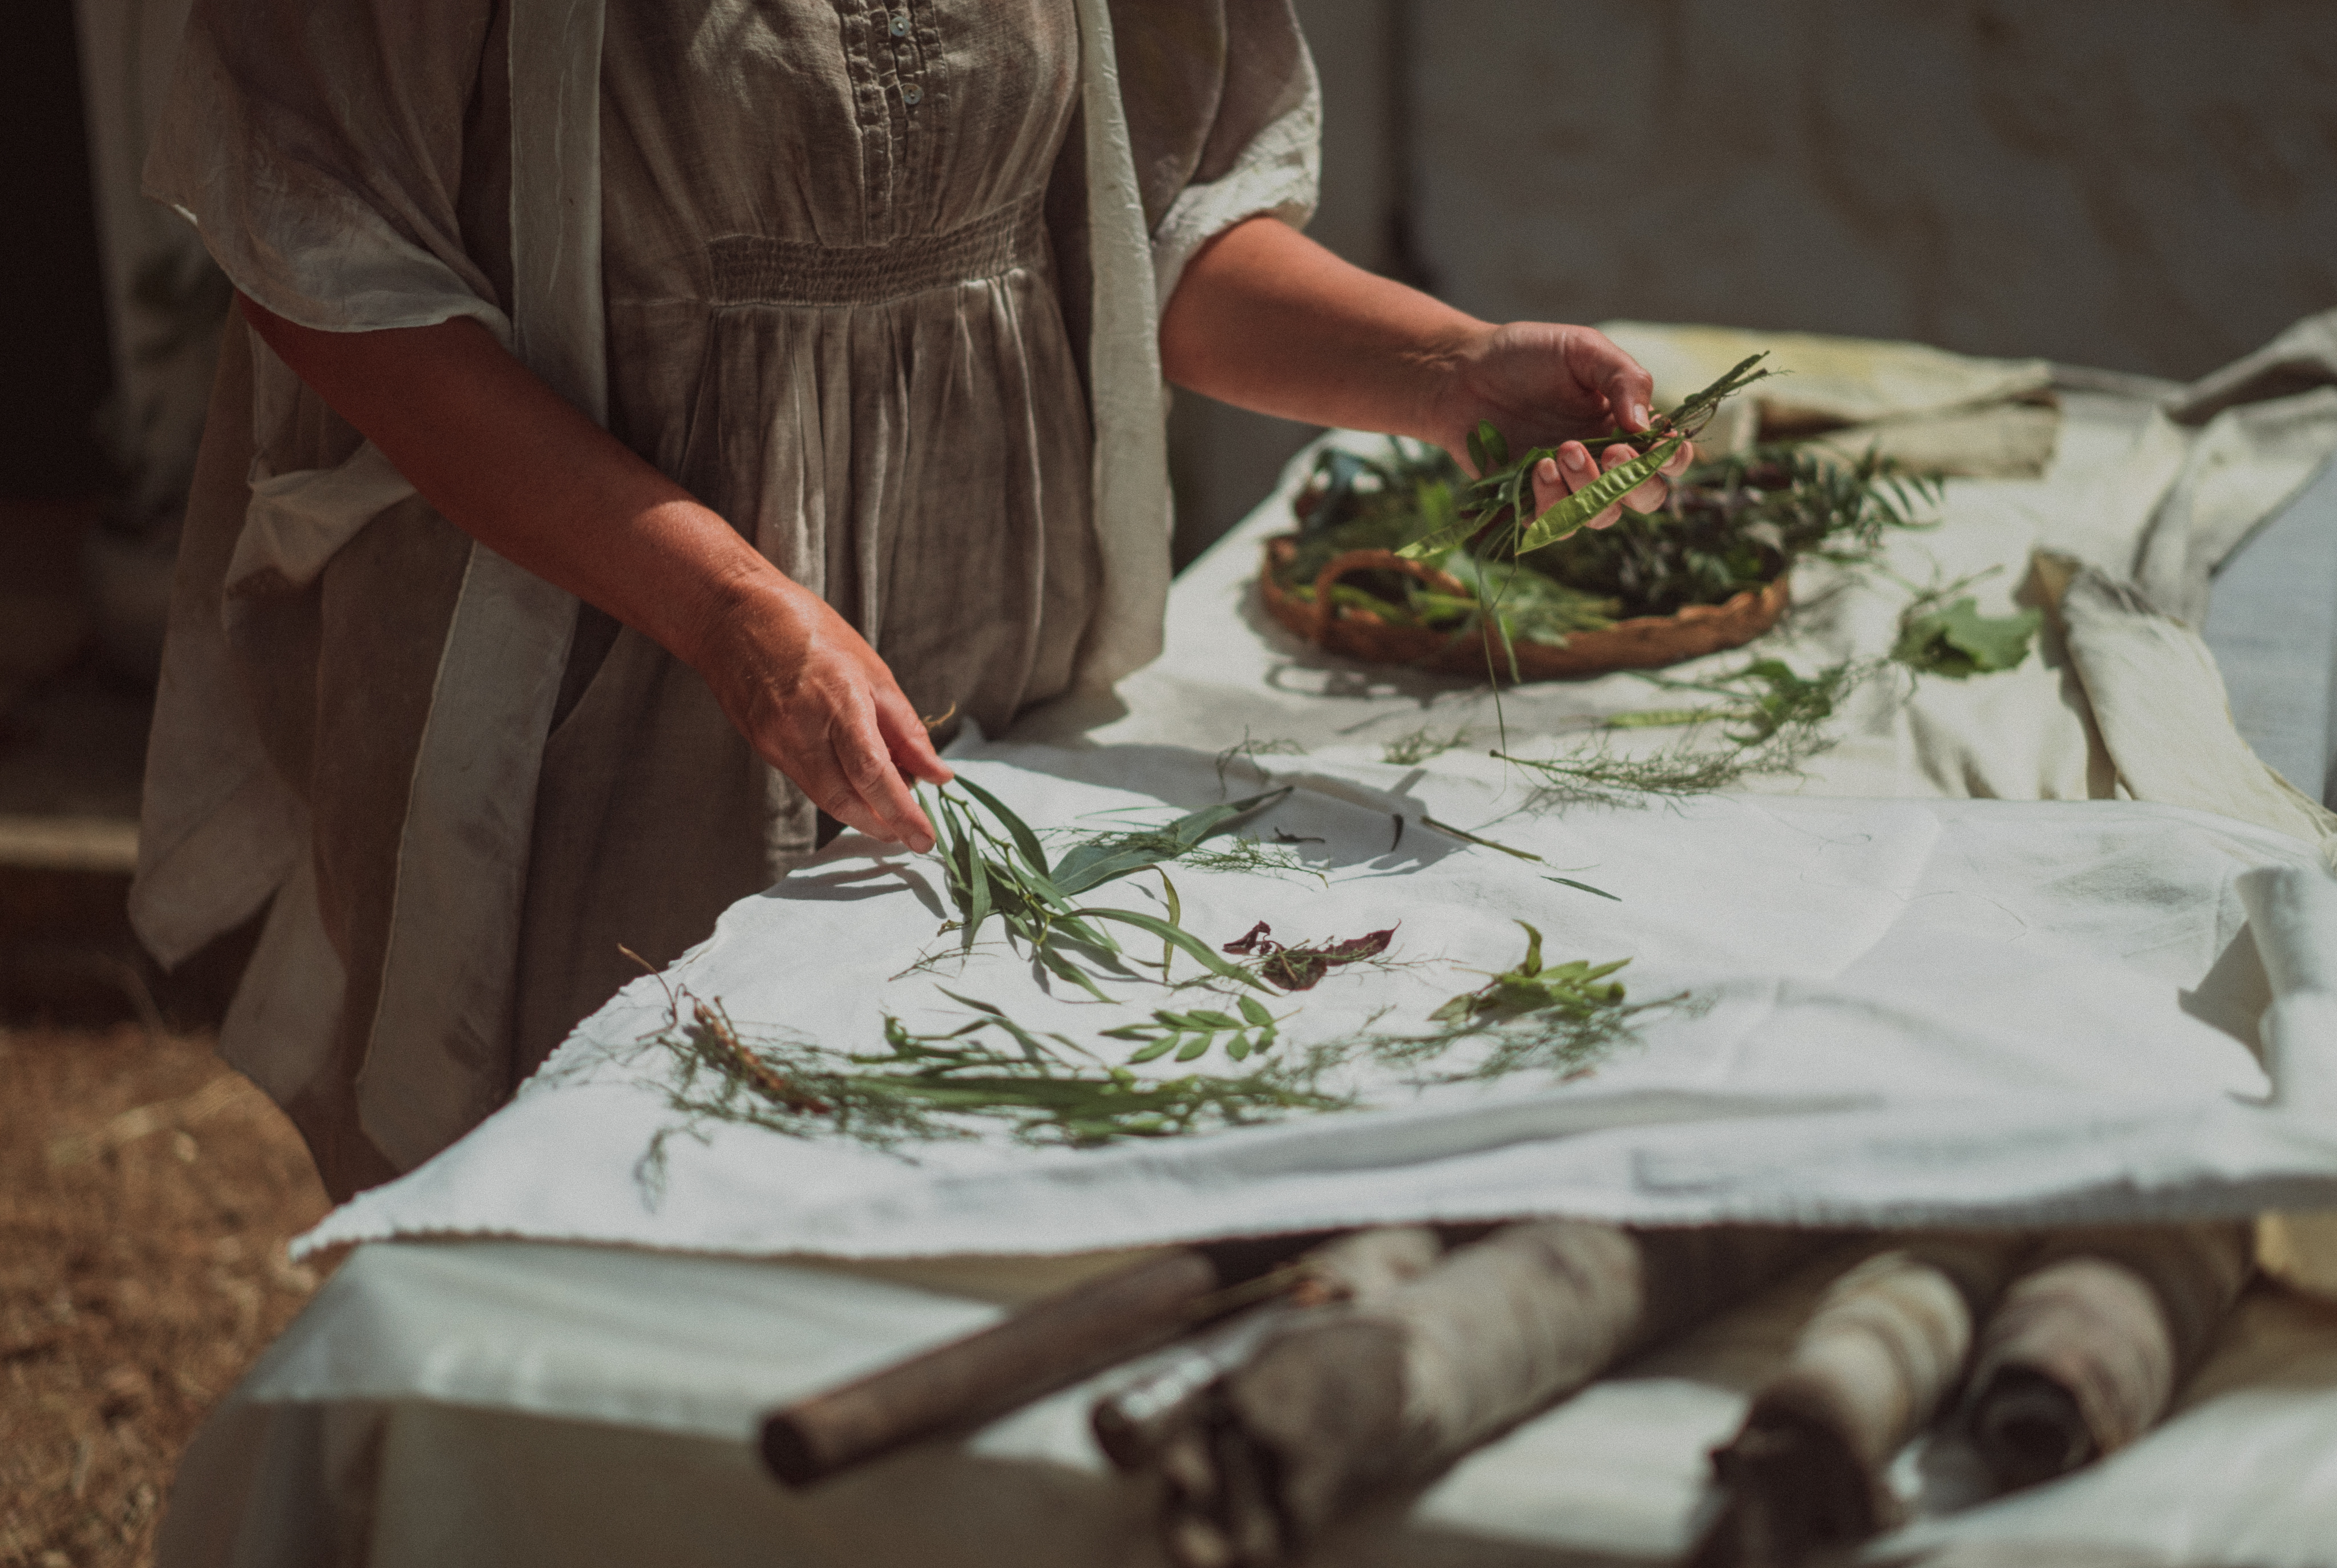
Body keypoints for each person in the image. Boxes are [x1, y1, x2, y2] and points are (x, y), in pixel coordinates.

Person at [132, 0, 1691, 1199]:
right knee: (621, 1208)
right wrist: (734, 609)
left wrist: (1448, 374)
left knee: (947, 1187)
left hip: (985, 661)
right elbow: (340, 281)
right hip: (587, 679)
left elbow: (1150, 234)